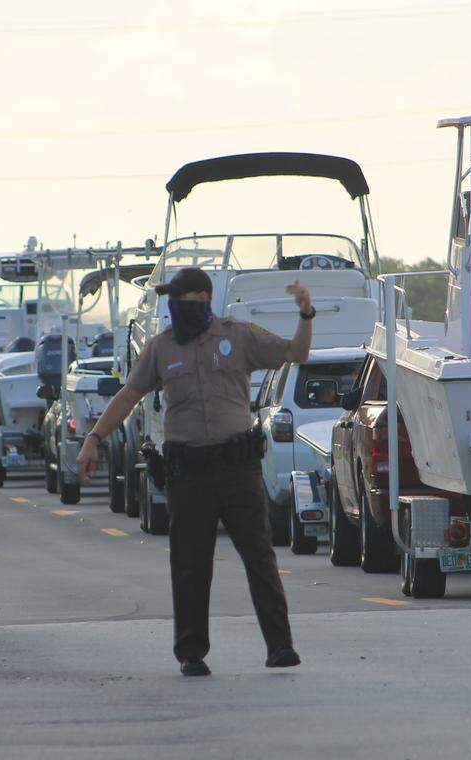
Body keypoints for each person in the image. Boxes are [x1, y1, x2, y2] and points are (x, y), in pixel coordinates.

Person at [77, 267, 314, 677]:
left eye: (182, 300)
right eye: (172, 302)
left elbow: (296, 353)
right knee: (190, 564)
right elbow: (129, 395)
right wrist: (93, 438)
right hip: (188, 473)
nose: (175, 309)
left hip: (238, 469)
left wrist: (306, 315)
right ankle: (191, 652)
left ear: (203, 299)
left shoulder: (239, 336)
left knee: (259, 558)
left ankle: (280, 646)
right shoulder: (161, 348)